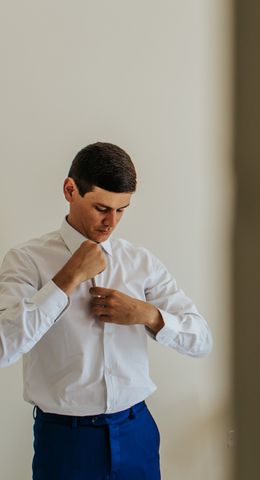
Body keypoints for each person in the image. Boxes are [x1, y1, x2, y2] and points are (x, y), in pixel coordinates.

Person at [0, 142, 212, 479]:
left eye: (122, 210)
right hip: (66, 441)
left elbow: (202, 340)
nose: (111, 222)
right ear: (71, 190)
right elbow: (4, 347)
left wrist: (148, 315)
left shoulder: (141, 263)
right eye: (101, 207)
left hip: (136, 431)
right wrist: (67, 278)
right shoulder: (26, 261)